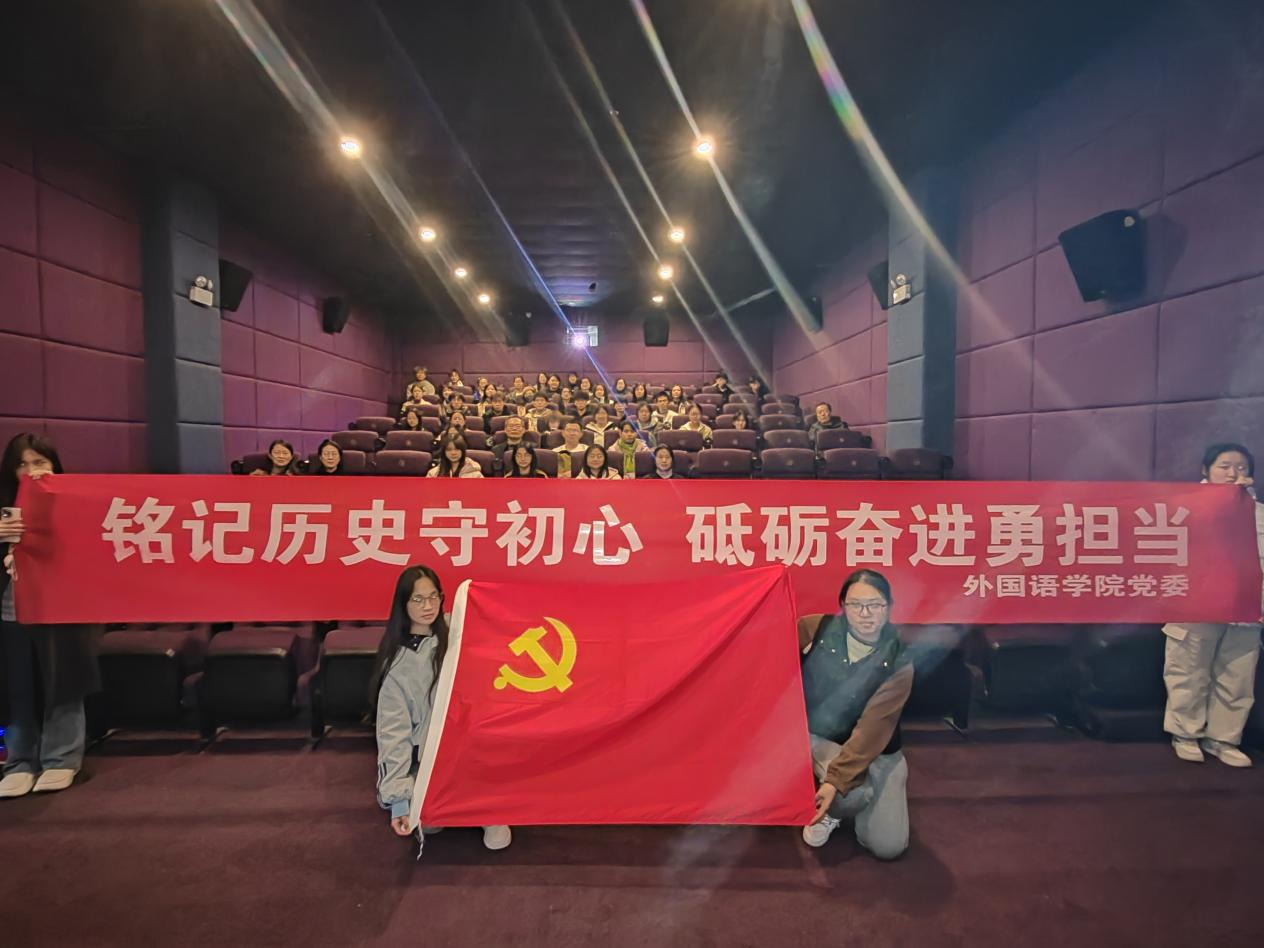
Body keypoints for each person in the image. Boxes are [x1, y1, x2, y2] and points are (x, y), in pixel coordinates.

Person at [371, 564, 511, 850]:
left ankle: (486, 810)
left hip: (472, 746)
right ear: (403, 603)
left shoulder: (457, 633)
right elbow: (393, 733)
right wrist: (399, 801)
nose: (428, 606)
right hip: (432, 755)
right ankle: (440, 801)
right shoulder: (398, 665)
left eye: (433, 596)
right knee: (430, 822)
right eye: (418, 599)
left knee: (495, 831)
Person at [0, 433, 101, 798]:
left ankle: (61, 759)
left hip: (61, 610)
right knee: (16, 686)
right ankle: (19, 761)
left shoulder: (71, 502)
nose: (31, 472)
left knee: (64, 683)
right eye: (22, 464)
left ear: (54, 466)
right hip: (12, 611)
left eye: (39, 463)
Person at [798, 569, 912, 860]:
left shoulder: (900, 660)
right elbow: (768, 651)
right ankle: (835, 806)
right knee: (853, 792)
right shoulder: (815, 629)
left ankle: (845, 794)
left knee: (889, 847)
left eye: (875, 604)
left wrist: (835, 780)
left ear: (889, 607)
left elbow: (873, 728)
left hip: (876, 747)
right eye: (855, 604)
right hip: (819, 737)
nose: (865, 614)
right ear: (843, 606)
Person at [1163, 443, 1263, 767]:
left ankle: (1224, 738)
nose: (1233, 473)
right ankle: (1185, 733)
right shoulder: (1186, 506)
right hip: (1197, 604)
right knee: (1189, 671)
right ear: (1206, 470)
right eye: (1225, 466)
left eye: (1242, 467)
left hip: (1247, 608)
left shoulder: (1260, 513)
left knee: (1236, 676)